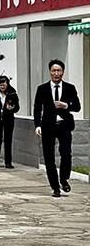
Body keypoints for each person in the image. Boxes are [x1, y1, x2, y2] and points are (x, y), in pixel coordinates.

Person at [34, 59, 81, 198]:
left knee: (66, 153)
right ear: (50, 72)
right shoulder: (42, 89)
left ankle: (64, 179)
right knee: (49, 157)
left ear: (63, 72)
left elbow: (77, 106)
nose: (56, 73)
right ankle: (55, 187)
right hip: (48, 126)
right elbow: (37, 109)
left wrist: (66, 105)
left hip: (64, 125)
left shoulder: (69, 88)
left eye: (58, 70)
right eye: (53, 70)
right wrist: (37, 125)